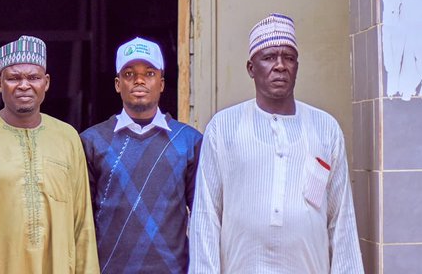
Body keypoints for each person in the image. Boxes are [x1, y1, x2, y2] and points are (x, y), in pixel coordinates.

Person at [188, 14, 363, 273]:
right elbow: (206, 216)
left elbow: (342, 220)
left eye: (288, 58)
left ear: (297, 67)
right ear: (251, 68)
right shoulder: (223, 128)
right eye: (269, 57)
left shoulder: (326, 129)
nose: (280, 66)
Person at [0, 35, 98, 274]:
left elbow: (82, 221)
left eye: (33, 77)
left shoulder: (67, 137)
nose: (24, 85)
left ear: (46, 82)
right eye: (14, 78)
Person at [80, 37, 202, 274]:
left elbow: (203, 217)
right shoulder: (91, 142)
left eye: (149, 73)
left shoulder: (189, 141)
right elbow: (82, 221)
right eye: (129, 74)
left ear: (161, 83)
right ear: (117, 84)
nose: (139, 80)